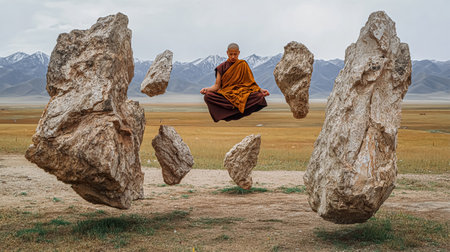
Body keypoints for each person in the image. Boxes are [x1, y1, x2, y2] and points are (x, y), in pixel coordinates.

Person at [200, 43, 270, 122]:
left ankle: (234, 110)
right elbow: (217, 86)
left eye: (235, 54)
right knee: (208, 96)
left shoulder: (243, 64)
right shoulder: (221, 67)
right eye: (231, 54)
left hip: (242, 94)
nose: (233, 56)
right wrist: (206, 89)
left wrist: (260, 90)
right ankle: (232, 110)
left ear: (239, 53)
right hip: (226, 95)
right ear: (227, 53)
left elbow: (250, 83)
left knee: (259, 96)